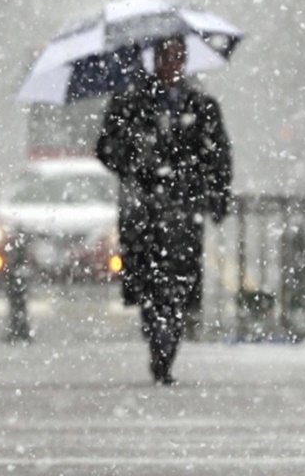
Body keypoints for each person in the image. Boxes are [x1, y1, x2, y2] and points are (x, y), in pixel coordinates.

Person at [95, 36, 232, 385]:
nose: (173, 64)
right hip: (144, 213)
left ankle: (165, 347)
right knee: (149, 286)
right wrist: (138, 160)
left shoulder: (201, 107)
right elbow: (106, 148)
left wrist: (213, 197)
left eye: (179, 56)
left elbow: (218, 158)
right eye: (167, 56)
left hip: (183, 213)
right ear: (155, 60)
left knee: (177, 286)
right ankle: (158, 340)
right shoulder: (129, 103)